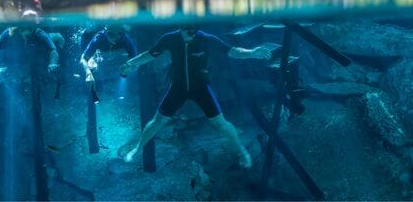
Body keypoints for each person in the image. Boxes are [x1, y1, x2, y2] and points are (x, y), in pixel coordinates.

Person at [119, 27, 273, 169]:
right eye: (187, 33)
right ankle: (137, 148)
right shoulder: (170, 38)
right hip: (178, 88)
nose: (189, 37)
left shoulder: (206, 38)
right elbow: (150, 54)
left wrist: (252, 52)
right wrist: (131, 63)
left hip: (201, 88)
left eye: (192, 33)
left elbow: (232, 51)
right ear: (181, 28)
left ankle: (241, 151)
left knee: (220, 124)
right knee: (158, 121)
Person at [80, 24, 138, 102]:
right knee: (91, 64)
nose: (114, 37)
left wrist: (129, 68)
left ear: (122, 33)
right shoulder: (99, 37)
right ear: (105, 31)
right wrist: (88, 73)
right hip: (90, 41)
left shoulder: (125, 39)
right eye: (110, 34)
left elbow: (136, 60)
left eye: (119, 33)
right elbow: (83, 59)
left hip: (109, 52)